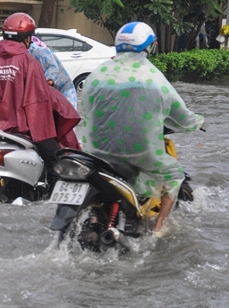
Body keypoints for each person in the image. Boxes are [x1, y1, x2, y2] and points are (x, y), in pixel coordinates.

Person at [78, 21, 204, 236]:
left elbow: (86, 110)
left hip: (95, 152)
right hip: (138, 154)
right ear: (149, 46)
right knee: (174, 175)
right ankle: (158, 229)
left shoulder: (97, 76)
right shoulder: (153, 78)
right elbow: (180, 115)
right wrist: (198, 122)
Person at [0, 12, 80, 185]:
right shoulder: (29, 62)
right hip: (18, 129)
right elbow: (37, 103)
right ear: (27, 39)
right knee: (57, 159)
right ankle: (54, 199)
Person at [29, 35, 77, 108]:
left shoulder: (39, 51)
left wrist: (47, 81)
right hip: (50, 90)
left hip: (62, 87)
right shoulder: (28, 53)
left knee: (66, 112)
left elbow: (53, 67)